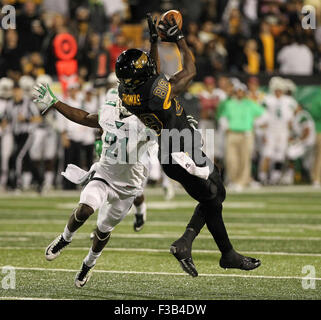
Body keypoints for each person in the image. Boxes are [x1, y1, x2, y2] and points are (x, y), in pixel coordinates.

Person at [115, 14, 261, 277]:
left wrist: (154, 42)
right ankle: (206, 247)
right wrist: (180, 40)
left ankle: (205, 247)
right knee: (215, 195)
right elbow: (190, 71)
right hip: (180, 149)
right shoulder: (156, 91)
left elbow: (152, 73)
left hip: (171, 148)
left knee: (214, 194)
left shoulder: (126, 92)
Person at [32, 85, 154, 287]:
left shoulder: (146, 122)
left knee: (103, 230)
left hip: (128, 187)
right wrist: (56, 103)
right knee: (86, 208)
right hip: (105, 174)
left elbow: (168, 133)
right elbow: (83, 117)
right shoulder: (109, 110)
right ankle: (64, 238)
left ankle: (88, 264)